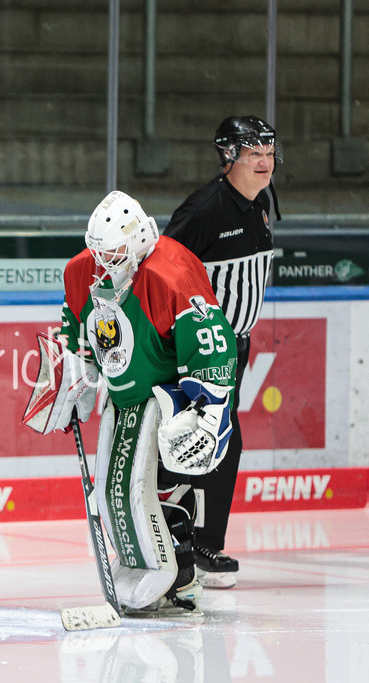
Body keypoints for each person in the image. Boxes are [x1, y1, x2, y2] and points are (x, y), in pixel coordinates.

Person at [23, 190, 237, 614]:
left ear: (140, 242)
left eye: (114, 254)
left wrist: (209, 409)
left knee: (161, 484)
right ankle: (146, 568)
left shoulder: (171, 272)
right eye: (98, 252)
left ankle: (181, 579)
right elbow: (77, 332)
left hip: (169, 394)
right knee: (115, 490)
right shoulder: (81, 270)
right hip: (122, 397)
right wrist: (75, 379)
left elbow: (211, 343)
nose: (104, 263)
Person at [162, 115, 279, 589]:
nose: (265, 162)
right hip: (202, 352)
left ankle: (195, 544)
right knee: (209, 441)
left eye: (269, 153)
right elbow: (161, 270)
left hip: (235, 348)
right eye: (254, 154)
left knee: (213, 441)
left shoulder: (260, 202)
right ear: (229, 157)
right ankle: (194, 545)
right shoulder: (204, 209)